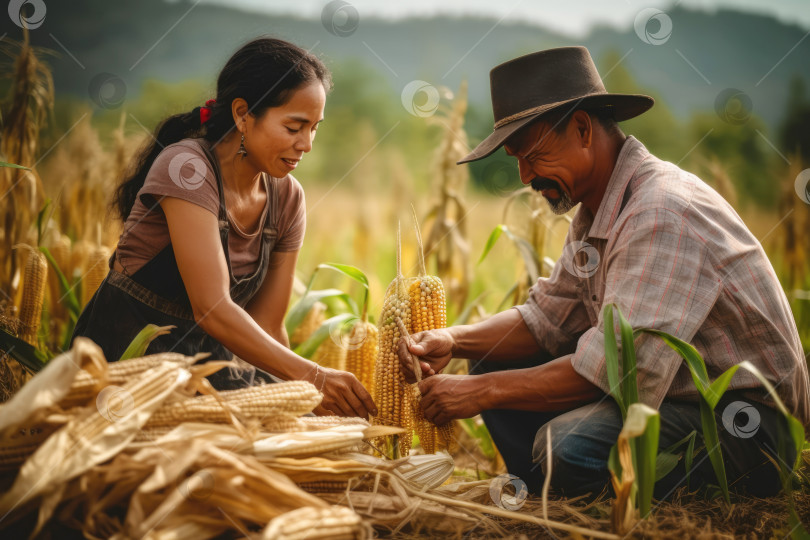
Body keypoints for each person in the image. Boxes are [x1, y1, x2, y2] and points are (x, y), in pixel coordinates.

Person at [398, 46, 810, 497]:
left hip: (747, 427)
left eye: (531, 154)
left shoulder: (660, 212)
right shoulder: (595, 213)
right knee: (493, 352)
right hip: (674, 400)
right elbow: (546, 319)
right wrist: (453, 340)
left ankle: (567, 486)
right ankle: (554, 491)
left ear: (581, 130)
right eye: (515, 160)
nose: (522, 176)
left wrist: (481, 392)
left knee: (565, 448)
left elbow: (619, 372)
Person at [72, 37, 376, 419]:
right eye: (295, 126)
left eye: (314, 128)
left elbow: (269, 326)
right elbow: (211, 307)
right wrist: (313, 376)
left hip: (207, 373)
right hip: (123, 371)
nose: (307, 144)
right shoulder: (187, 168)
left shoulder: (287, 199)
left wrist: (301, 399)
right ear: (242, 114)